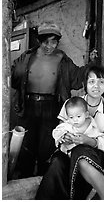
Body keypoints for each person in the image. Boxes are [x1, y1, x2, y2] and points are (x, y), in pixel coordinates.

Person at [11, 21, 92, 178]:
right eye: (46, 42)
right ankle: (24, 178)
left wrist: (91, 65)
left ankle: (44, 180)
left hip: (51, 106)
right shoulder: (27, 57)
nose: (50, 46)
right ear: (39, 40)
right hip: (28, 105)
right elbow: (12, 77)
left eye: (53, 41)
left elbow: (76, 77)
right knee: (26, 145)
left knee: (47, 146)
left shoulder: (62, 59)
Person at [35, 65, 104, 200]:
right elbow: (61, 128)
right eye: (91, 81)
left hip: (95, 153)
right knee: (57, 161)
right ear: (84, 84)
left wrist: (87, 140)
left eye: (101, 82)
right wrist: (65, 138)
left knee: (79, 152)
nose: (96, 86)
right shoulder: (71, 104)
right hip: (69, 149)